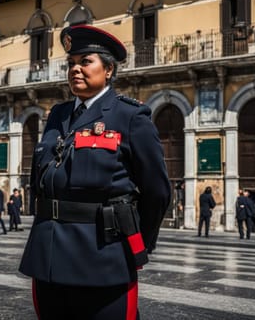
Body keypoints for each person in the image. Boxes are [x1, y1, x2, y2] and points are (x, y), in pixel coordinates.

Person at [19, 24, 171, 319]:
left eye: (86, 62)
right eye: (71, 63)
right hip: (48, 256)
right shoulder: (57, 116)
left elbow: (157, 191)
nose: (76, 69)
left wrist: (137, 241)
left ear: (109, 70)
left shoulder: (130, 116)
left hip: (103, 257)